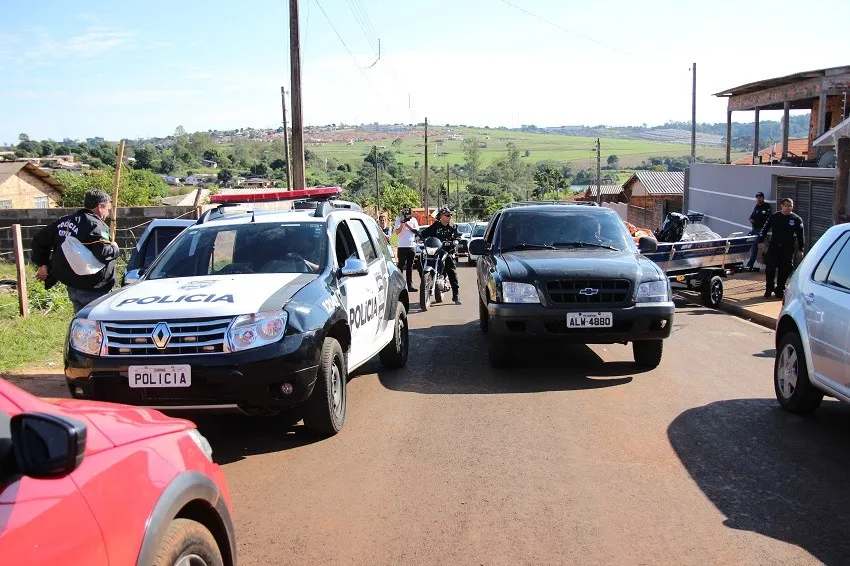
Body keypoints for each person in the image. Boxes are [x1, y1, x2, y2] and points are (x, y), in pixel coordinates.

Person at [31, 189, 120, 314]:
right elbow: (104, 253)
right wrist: (115, 248)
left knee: (80, 321)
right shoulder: (95, 225)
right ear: (100, 206)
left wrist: (42, 263)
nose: (108, 213)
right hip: (95, 288)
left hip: (72, 285)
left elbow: (39, 240)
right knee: (95, 324)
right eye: (108, 209)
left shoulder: (64, 221)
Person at [759, 197, 805, 299]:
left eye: (791, 206)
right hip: (774, 247)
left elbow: (800, 236)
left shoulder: (796, 219)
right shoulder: (774, 217)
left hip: (788, 248)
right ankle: (769, 288)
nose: (789, 208)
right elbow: (764, 229)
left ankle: (780, 289)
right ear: (782, 206)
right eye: (786, 206)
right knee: (770, 268)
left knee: (785, 269)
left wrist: (801, 249)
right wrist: (760, 241)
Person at [420, 206, 461, 304]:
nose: (449, 217)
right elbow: (425, 233)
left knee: (451, 270)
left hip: (448, 251)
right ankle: (425, 280)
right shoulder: (435, 226)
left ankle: (456, 295)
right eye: (447, 215)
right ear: (441, 216)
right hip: (436, 251)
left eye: (450, 215)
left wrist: (456, 240)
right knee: (420, 259)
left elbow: (458, 236)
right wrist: (419, 236)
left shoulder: (452, 226)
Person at [394, 205, 420, 292]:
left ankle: (410, 286)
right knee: (400, 265)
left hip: (411, 246)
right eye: (404, 210)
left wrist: (407, 224)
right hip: (402, 246)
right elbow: (397, 232)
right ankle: (400, 285)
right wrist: (402, 223)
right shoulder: (398, 219)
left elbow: (416, 231)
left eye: (407, 210)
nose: (406, 212)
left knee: (410, 266)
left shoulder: (413, 220)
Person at [745, 192, 772, 271]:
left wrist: (757, 222)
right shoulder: (757, 206)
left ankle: (750, 265)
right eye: (757, 197)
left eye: (760, 197)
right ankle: (749, 265)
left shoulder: (766, 206)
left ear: (763, 198)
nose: (758, 199)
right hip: (754, 229)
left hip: (761, 230)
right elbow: (752, 216)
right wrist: (751, 219)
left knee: (756, 246)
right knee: (747, 241)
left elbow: (767, 219)